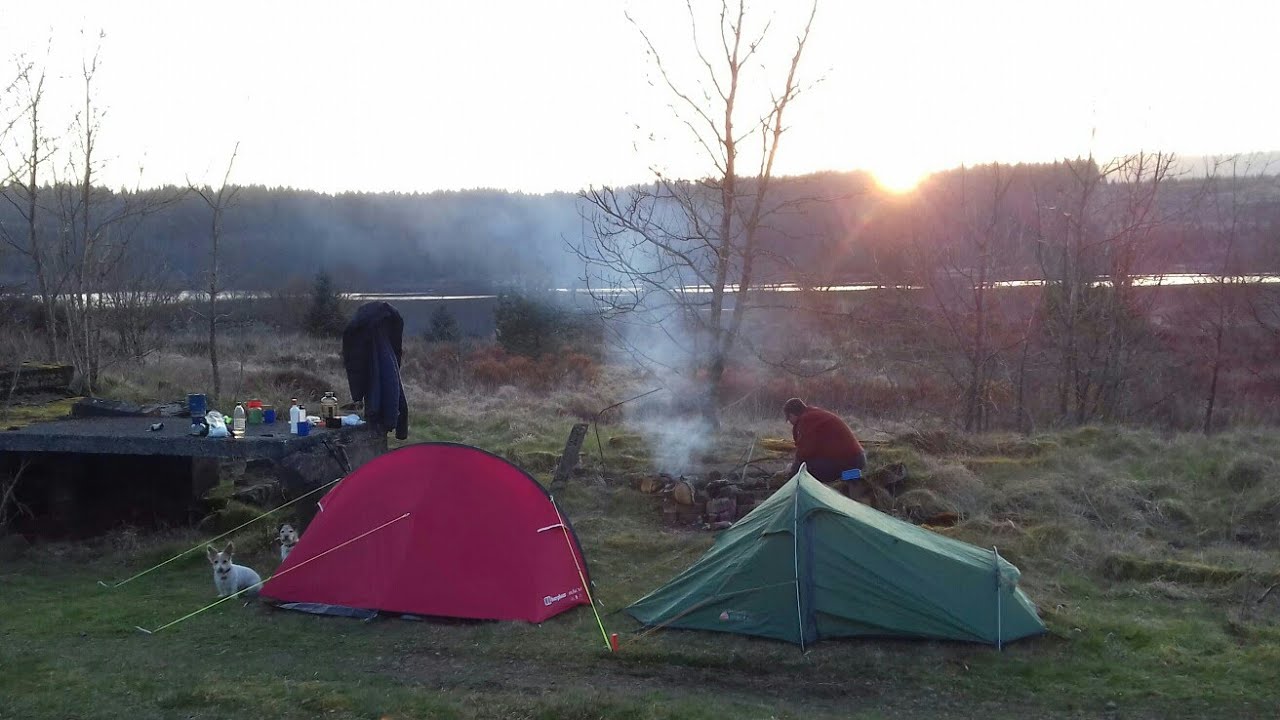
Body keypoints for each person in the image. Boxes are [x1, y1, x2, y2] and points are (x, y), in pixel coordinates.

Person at [783, 397, 865, 483]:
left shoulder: (806, 420)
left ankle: (845, 479)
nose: (790, 423)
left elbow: (804, 453)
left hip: (850, 461)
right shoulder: (815, 415)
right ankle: (850, 478)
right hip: (857, 459)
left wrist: (791, 474)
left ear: (791, 415)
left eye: (789, 419)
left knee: (804, 470)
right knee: (820, 466)